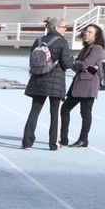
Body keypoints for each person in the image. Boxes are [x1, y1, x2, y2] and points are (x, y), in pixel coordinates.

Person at [23, 17, 73, 150]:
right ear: (57, 28)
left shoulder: (38, 41)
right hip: (55, 81)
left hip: (37, 79)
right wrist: (73, 60)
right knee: (54, 113)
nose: (66, 30)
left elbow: (32, 60)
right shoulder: (62, 42)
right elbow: (66, 64)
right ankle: (53, 143)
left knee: (34, 111)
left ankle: (27, 142)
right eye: (64, 27)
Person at [59, 25, 105, 149]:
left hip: (89, 84)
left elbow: (84, 64)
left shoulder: (97, 48)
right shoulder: (85, 48)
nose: (86, 33)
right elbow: (77, 67)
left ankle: (83, 139)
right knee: (65, 109)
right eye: (86, 31)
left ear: (96, 35)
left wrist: (76, 62)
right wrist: (77, 64)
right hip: (79, 82)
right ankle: (64, 139)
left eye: (90, 32)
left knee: (85, 112)